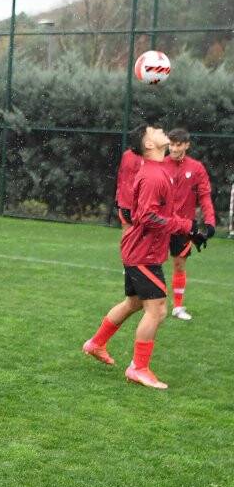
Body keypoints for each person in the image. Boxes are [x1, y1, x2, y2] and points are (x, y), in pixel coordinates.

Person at [82, 126, 206, 390]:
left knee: (134, 302)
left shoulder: (158, 170)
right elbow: (147, 217)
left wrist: (189, 230)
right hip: (143, 253)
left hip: (141, 249)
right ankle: (138, 368)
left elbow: (156, 215)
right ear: (149, 144)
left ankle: (96, 343)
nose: (161, 130)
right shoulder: (152, 176)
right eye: (155, 130)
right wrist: (187, 227)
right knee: (158, 310)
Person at [163, 128, 216, 321]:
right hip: (160, 223)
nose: (174, 149)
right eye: (171, 144)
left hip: (183, 226)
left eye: (178, 145)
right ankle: (152, 302)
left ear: (186, 145)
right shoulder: (160, 164)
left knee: (179, 264)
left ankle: (177, 307)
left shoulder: (196, 168)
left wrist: (210, 222)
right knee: (152, 263)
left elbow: (204, 196)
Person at [114, 127, 145, 227]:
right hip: (132, 203)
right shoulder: (128, 155)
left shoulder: (127, 155)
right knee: (132, 236)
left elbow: (121, 176)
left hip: (130, 202)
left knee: (131, 237)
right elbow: (121, 176)